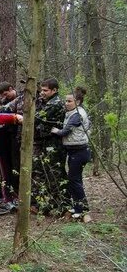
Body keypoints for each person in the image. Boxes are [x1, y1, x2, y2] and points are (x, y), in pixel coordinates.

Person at [51, 87, 91, 218]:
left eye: (69, 101)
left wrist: (56, 131)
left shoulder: (77, 115)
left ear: (77, 102)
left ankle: (82, 209)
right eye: (66, 101)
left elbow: (65, 131)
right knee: (73, 179)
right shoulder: (72, 113)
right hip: (74, 151)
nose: (66, 103)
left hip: (80, 151)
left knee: (74, 180)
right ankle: (77, 207)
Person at [32, 78, 70, 215]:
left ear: (54, 90)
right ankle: (53, 203)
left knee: (56, 173)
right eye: (41, 90)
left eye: (45, 90)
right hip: (45, 142)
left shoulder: (55, 103)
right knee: (47, 173)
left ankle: (64, 205)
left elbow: (36, 118)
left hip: (55, 143)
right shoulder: (45, 101)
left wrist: (19, 118)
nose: (42, 93)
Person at [0, 82, 20, 208]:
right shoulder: (2, 105)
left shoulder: (20, 99)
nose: (5, 97)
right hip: (2, 143)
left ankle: (12, 196)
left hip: (14, 142)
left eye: (6, 94)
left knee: (14, 171)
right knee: (5, 172)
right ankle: (5, 198)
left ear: (11, 89)